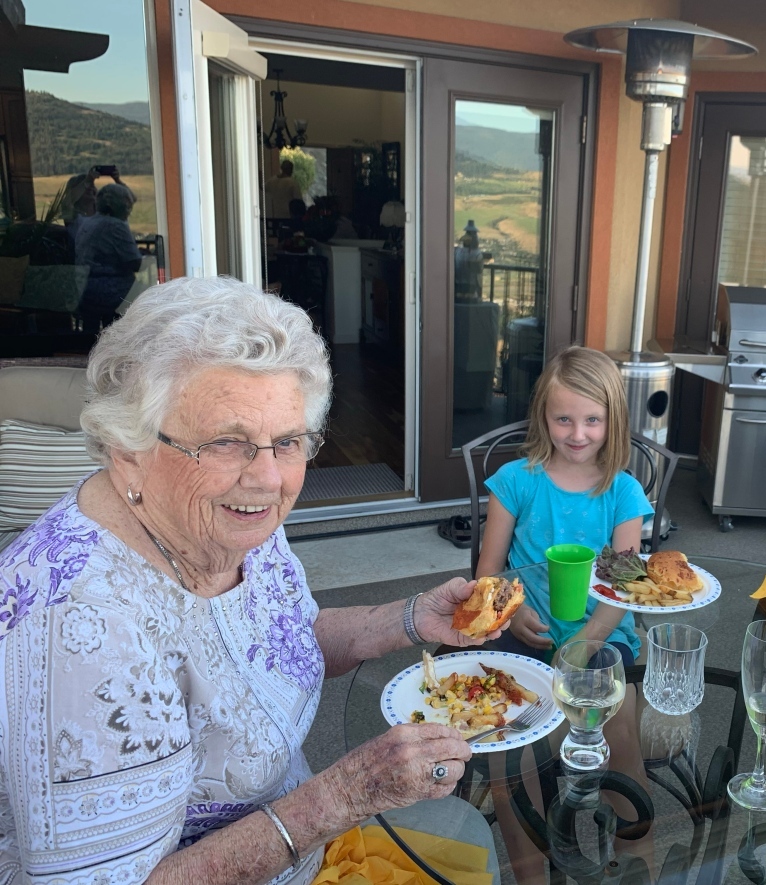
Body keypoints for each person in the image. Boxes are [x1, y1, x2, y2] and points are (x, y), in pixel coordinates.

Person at [0, 276, 502, 884]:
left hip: (302, 853)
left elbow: (279, 640)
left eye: (287, 440)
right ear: (126, 447)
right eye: (226, 442)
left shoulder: (230, 520)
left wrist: (408, 617)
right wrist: (343, 796)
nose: (268, 478)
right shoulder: (79, 627)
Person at [475, 345, 654, 884]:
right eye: (564, 419)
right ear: (544, 417)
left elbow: (623, 589)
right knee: (514, 743)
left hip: (601, 631)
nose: (578, 433)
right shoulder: (517, 481)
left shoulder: (622, 492)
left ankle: (637, 856)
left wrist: (587, 640)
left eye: (593, 420)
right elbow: (488, 575)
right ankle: (531, 872)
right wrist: (516, 607)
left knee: (620, 726)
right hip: (523, 631)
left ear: (612, 420)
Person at [75, 182, 142, 329]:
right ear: (118, 206)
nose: (128, 211)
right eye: (127, 206)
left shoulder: (88, 222)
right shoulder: (115, 226)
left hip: (85, 289)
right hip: (109, 292)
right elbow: (135, 263)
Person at [453, 220, 485, 302]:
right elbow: (478, 273)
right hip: (471, 289)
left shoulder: (457, 252)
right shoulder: (477, 254)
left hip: (457, 288)